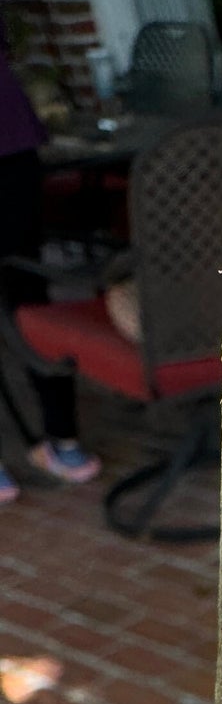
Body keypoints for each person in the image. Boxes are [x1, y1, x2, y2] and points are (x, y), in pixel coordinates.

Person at [0, 38, 102, 504]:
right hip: (9, 143)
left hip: (9, 140)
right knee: (29, 291)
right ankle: (65, 444)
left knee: (29, 292)